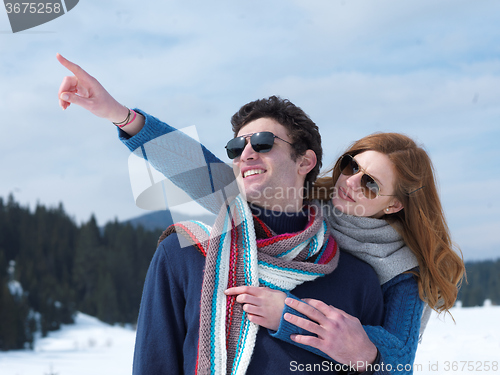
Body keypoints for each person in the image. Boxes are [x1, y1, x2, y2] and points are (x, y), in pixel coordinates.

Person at [57, 54, 465, 374]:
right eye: (349, 167)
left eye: (371, 183)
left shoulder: (386, 274)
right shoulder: (187, 255)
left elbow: (397, 363)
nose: (350, 183)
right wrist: (120, 115)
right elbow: (203, 173)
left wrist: (288, 315)